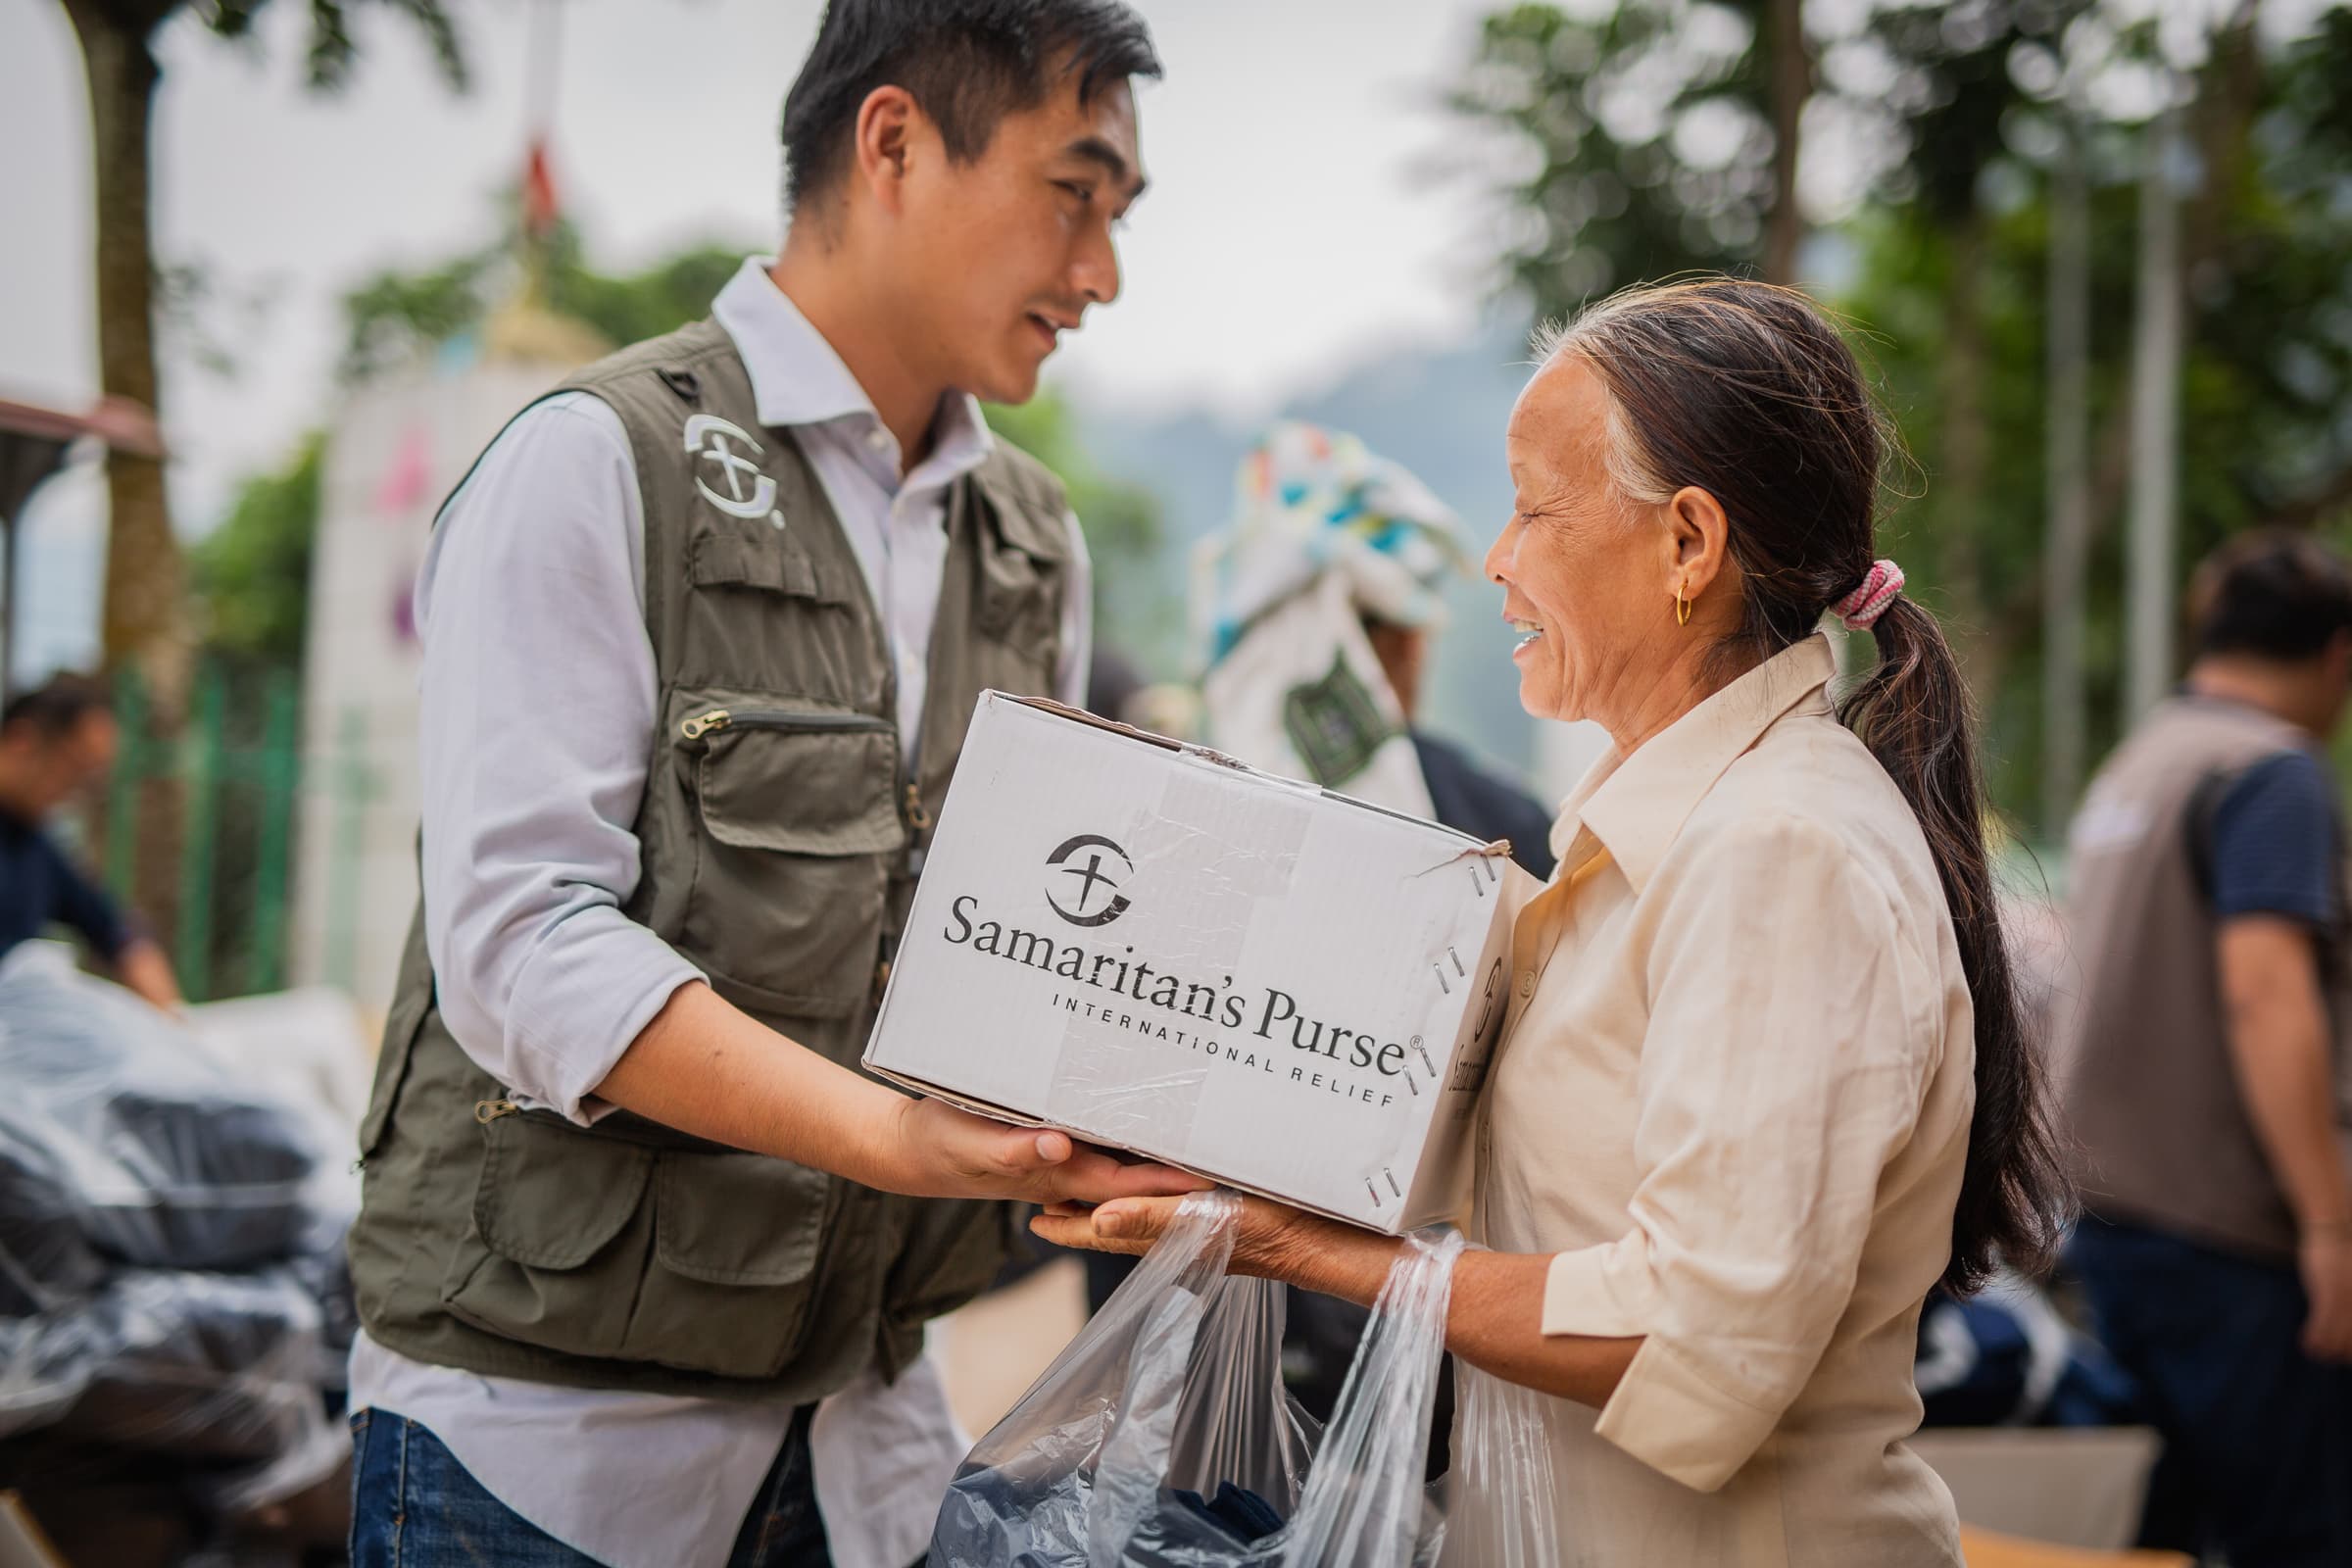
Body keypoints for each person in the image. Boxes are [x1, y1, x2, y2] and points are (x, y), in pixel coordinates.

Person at [340, 7, 1195, 1568]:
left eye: (1120, 216)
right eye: (1074, 193)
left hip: (864, 1441)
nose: (1102, 274)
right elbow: (521, 942)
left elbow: (1026, 936)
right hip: (551, 1452)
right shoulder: (597, 463)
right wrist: (891, 1136)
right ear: (892, 146)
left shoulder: (1028, 539)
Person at [1040, 277, 2073, 1566]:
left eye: (1534, 508)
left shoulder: (1780, 854)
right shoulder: (1653, 836)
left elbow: (1693, 1333)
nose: (1497, 559)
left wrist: (1305, 1252)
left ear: (1688, 546)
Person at [2052, 530, 2352, 1566]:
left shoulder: (2145, 759)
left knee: (2171, 1530)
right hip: (2228, 1234)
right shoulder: (2272, 772)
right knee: (2292, 1535)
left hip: (2117, 1216)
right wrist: (2329, 1222)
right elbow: (2266, 995)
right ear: (2337, 659)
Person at [0, 673, 180, 1011]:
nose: (75, 793)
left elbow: (121, 937)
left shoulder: (37, 848)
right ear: (22, 740)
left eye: (91, 779)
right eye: (74, 769)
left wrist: (177, 1021)